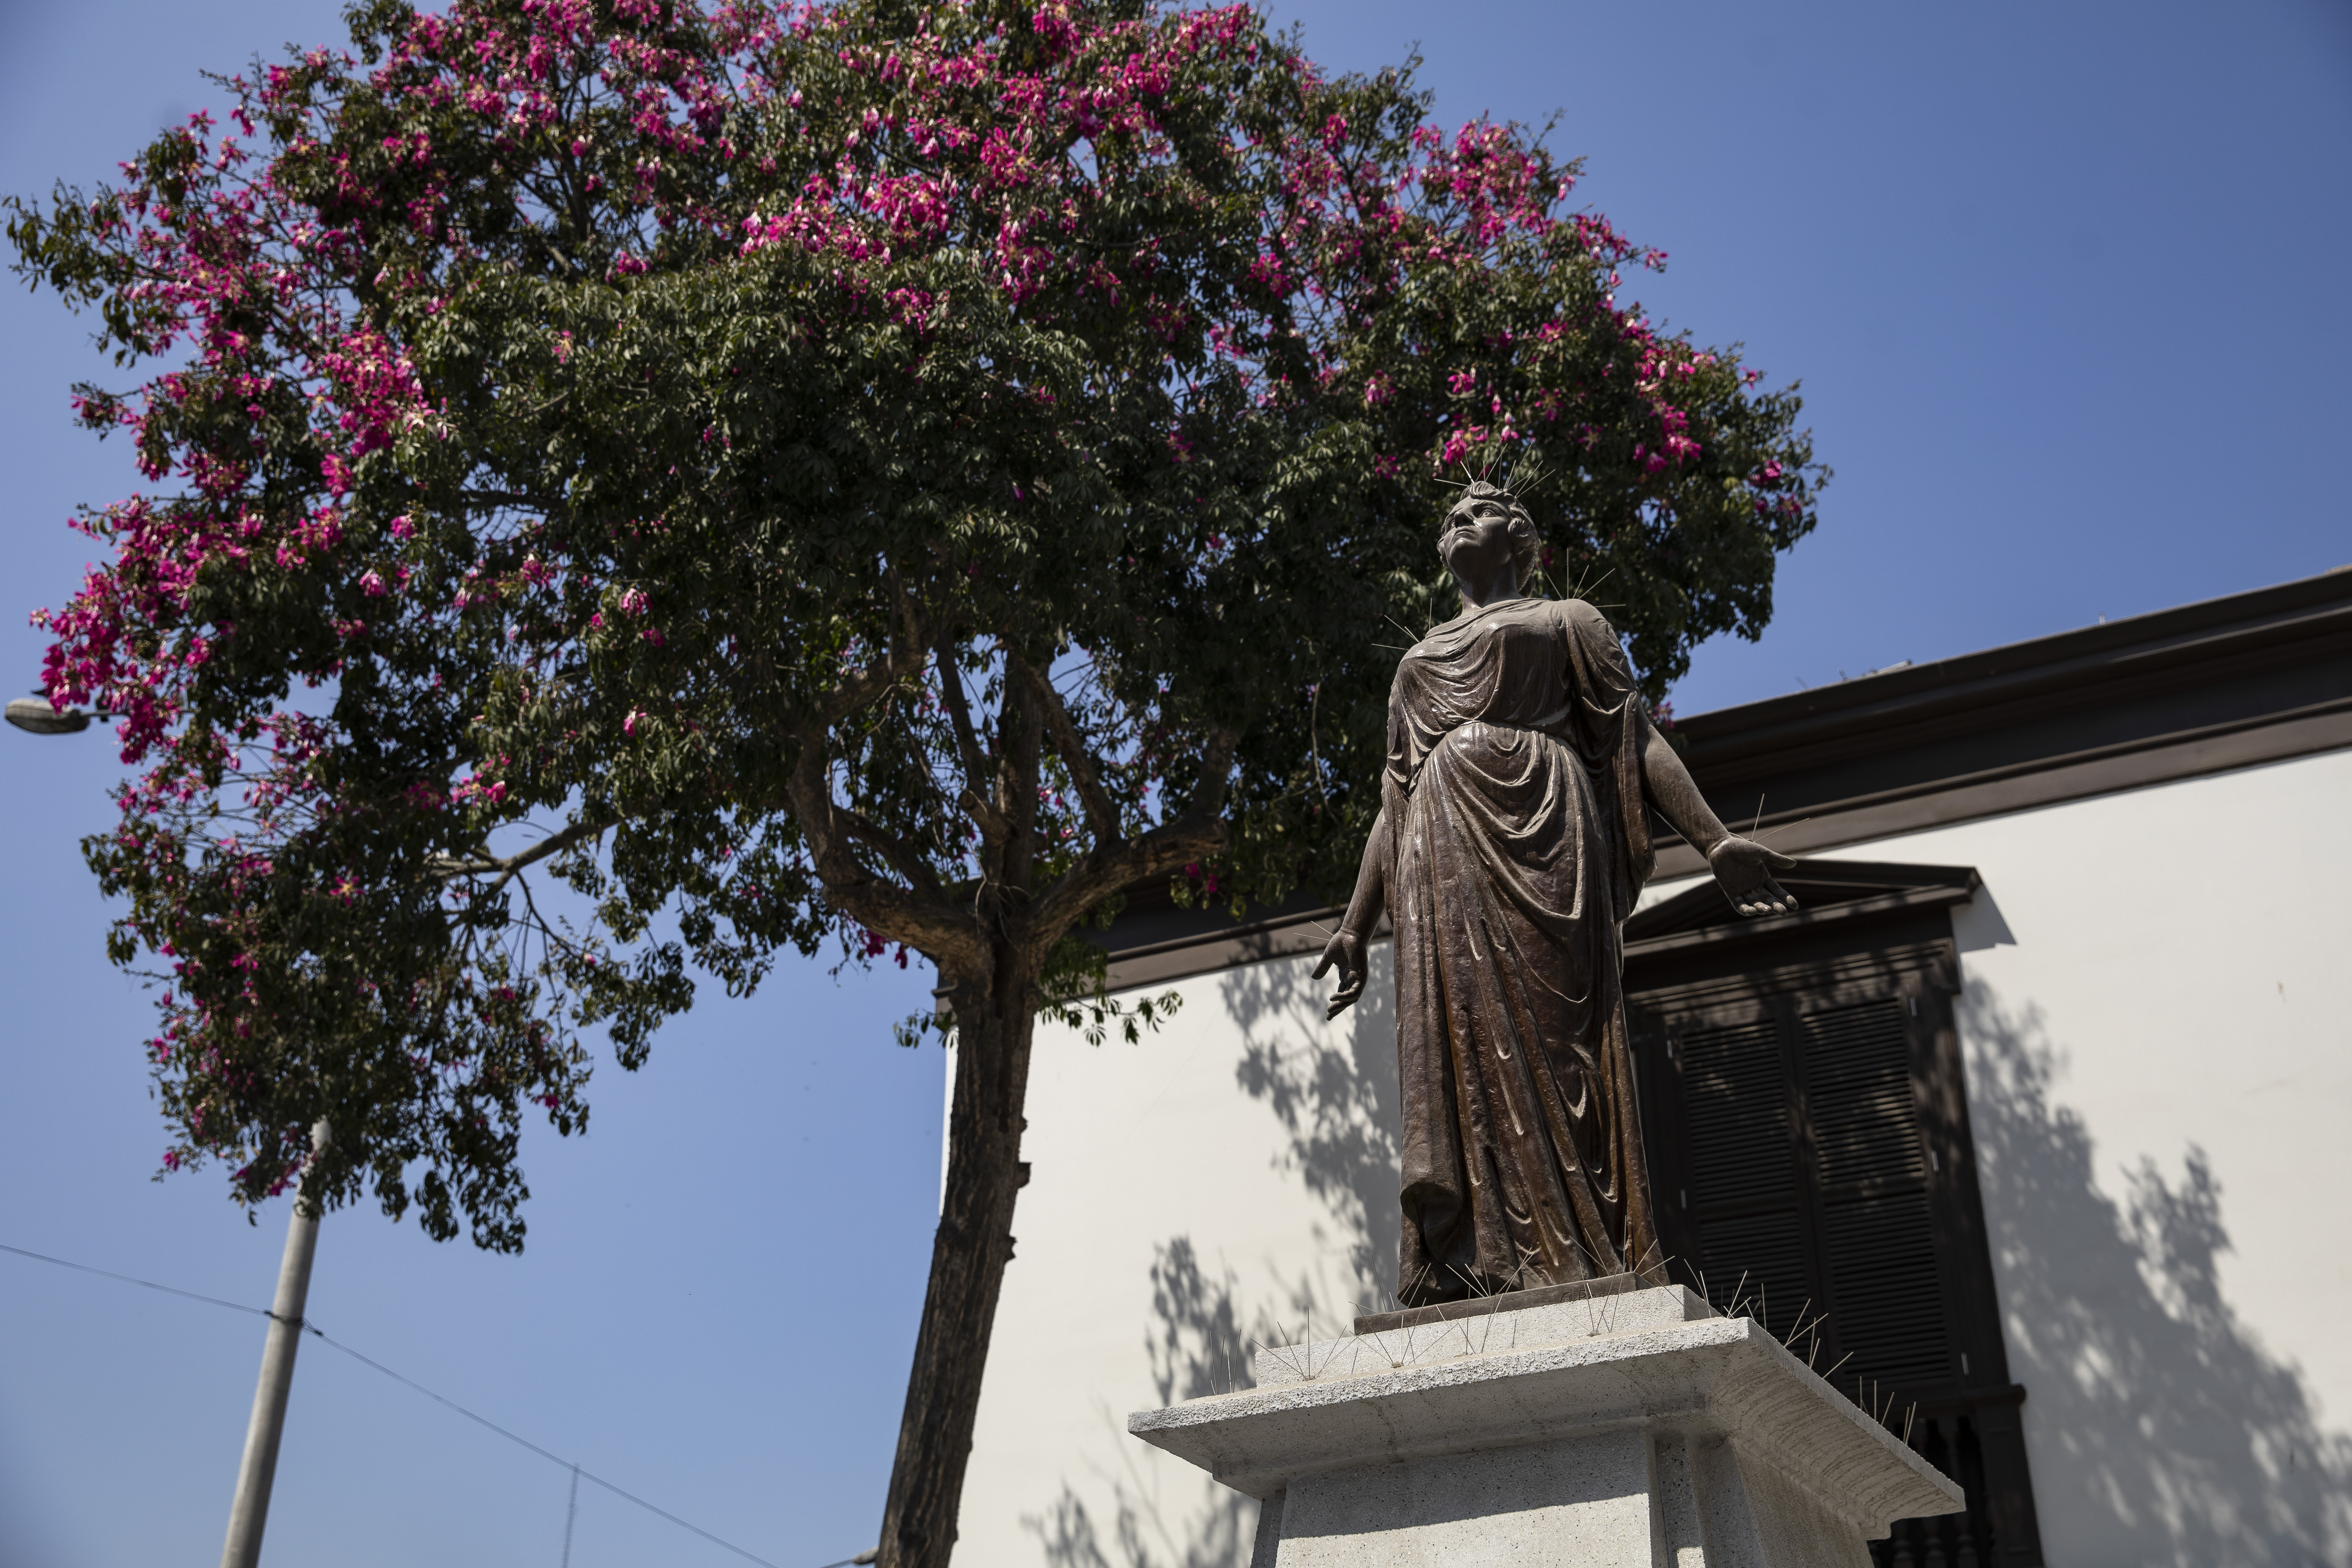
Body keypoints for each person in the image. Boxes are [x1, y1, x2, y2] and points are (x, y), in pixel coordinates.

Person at [1313, 474, 1798, 1306]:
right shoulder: (1413, 664)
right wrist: (1357, 925)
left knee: (1560, 1042)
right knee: (1467, 1051)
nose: (1459, 519)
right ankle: (1480, 1258)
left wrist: (1714, 840)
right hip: (1444, 856)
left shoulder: (1570, 621)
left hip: (1549, 840)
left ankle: (1584, 1251)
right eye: (1449, 516)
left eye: (1479, 509)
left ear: (1519, 534)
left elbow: (1633, 736)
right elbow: (1393, 802)